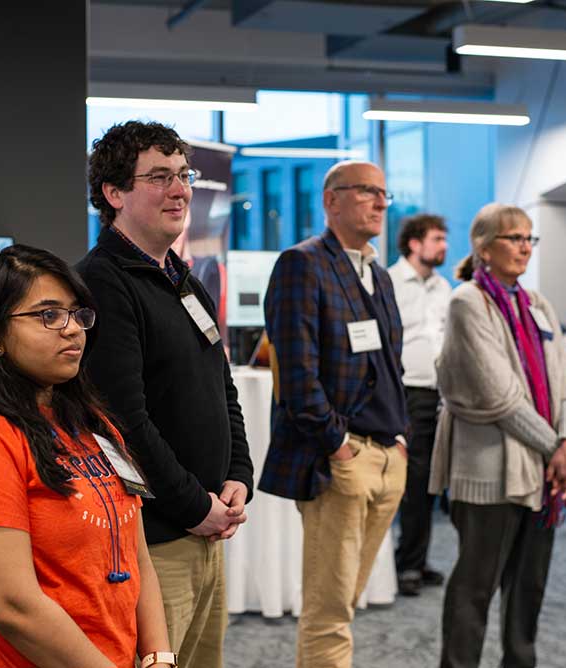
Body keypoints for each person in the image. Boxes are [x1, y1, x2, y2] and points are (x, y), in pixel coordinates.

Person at [0, 244, 175, 668]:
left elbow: (137, 557)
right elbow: (12, 605)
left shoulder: (92, 422)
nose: (72, 329)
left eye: (77, 314)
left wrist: (158, 657)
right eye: (48, 315)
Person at [78, 120, 253, 668]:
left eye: (184, 174)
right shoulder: (103, 281)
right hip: (155, 540)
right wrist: (190, 505)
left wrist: (239, 476)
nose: (180, 190)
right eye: (159, 177)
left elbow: (221, 384)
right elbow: (122, 420)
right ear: (114, 193)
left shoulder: (182, 277)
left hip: (206, 525)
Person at [261, 160, 408, 668]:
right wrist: (336, 444)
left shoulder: (379, 275)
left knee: (344, 602)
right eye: (366, 191)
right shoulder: (302, 264)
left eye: (383, 193)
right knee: (330, 612)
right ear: (331, 201)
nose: (378, 202)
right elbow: (297, 375)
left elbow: (391, 364)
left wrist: (401, 439)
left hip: (388, 456)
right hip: (341, 459)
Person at [429, 203, 566, 668]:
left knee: (528, 589)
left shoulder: (538, 305)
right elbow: (500, 396)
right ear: (483, 248)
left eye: (529, 238)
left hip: (544, 471)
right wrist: (558, 448)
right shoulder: (467, 302)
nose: (524, 247)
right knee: (474, 589)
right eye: (513, 238)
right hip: (489, 473)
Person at [387, 213, 452, 596]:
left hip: (441, 395)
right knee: (411, 481)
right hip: (405, 393)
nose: (443, 246)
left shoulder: (444, 287)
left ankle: (416, 558)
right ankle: (405, 563)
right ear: (415, 243)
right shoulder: (390, 282)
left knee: (430, 482)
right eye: (437, 239)